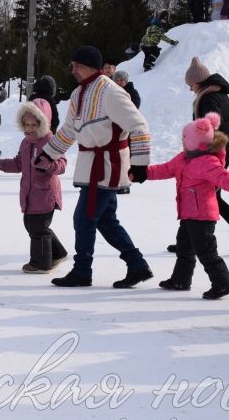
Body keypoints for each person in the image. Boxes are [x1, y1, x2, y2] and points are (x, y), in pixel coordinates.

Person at [38, 46, 153, 289]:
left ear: (90, 65)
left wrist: (141, 164)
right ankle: (137, 265)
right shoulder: (78, 94)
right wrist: (48, 154)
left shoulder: (111, 91)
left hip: (108, 166)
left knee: (84, 218)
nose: (73, 70)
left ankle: (82, 271)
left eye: (76, 65)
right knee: (106, 220)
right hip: (90, 165)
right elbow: (69, 131)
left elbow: (139, 125)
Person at [136, 112, 229, 300]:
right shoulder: (183, 158)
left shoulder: (207, 162)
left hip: (203, 216)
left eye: (186, 139)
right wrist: (142, 173)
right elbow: (164, 169)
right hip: (187, 214)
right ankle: (180, 280)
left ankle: (223, 284)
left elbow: (226, 179)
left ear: (196, 142)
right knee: (184, 248)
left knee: (206, 252)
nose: (183, 142)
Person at [165, 58, 229, 256]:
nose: (190, 89)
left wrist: (199, 153)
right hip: (220, 150)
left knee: (205, 195)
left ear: (198, 82)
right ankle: (189, 240)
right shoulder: (217, 93)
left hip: (212, 153)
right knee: (204, 195)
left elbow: (207, 129)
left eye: (191, 85)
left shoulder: (208, 98)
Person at [0, 98, 68, 273]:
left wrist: (49, 165)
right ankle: (58, 253)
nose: (29, 129)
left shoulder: (51, 142)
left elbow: (62, 165)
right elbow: (18, 163)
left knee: (38, 227)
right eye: (26, 125)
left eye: (34, 125)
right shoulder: (26, 142)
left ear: (43, 123)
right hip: (29, 193)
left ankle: (41, 263)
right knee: (32, 225)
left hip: (45, 193)